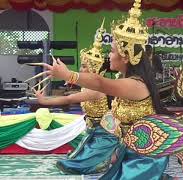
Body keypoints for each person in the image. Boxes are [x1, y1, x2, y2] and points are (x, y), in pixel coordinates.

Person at [42, 1, 169, 179]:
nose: (108, 55)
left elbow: (100, 83)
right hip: (130, 152)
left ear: (126, 56)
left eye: (112, 51)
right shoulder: (123, 79)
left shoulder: (135, 84)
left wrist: (68, 74)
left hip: (145, 158)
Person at [30, 20, 121, 175]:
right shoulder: (88, 86)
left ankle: (114, 157)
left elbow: (69, 100)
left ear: (94, 69)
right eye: (82, 65)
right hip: (93, 130)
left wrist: (44, 101)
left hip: (104, 133)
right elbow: (73, 95)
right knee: (75, 158)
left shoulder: (96, 89)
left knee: (81, 165)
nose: (80, 68)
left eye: (85, 66)